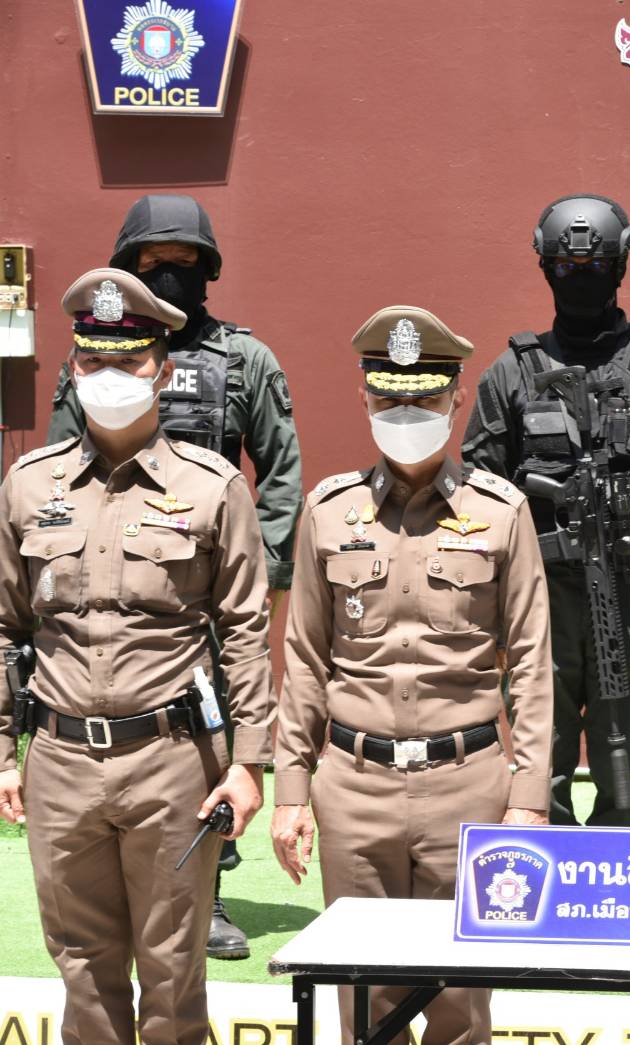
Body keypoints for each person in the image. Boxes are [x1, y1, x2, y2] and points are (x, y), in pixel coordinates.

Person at [0, 268, 272, 1043]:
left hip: (171, 762)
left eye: (129, 359)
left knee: (173, 974)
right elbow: (4, 625)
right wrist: (3, 752)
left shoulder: (213, 487)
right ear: (73, 365)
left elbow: (247, 632)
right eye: (94, 359)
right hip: (60, 762)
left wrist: (249, 762)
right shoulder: (29, 484)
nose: (110, 374)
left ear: (162, 367)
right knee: (82, 972)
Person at [271, 306, 553, 1044]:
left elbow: (530, 660)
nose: (406, 415)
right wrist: (291, 790)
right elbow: (304, 657)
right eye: (390, 399)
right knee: (362, 1000)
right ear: (365, 398)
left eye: (424, 399)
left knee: (461, 1007)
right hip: (353, 788)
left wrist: (529, 798)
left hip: (467, 786)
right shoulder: (328, 511)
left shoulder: (502, 512)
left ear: (456, 398)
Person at [45, 193, 303, 959]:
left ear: (208, 269)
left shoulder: (244, 361)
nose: (169, 273)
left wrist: (268, 574)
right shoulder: (94, 355)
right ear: (128, 267)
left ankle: (205, 894)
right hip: (113, 582)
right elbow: (60, 467)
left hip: (211, 585)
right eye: (153, 262)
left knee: (209, 738)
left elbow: (281, 474)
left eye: (184, 262)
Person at [463, 193, 630, 827]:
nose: (581, 277)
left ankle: (621, 849)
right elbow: (478, 492)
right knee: (538, 739)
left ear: (620, 266)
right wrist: (488, 600)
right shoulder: (513, 372)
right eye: (567, 266)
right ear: (546, 268)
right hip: (539, 592)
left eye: (596, 266)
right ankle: (540, 849)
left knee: (624, 741)